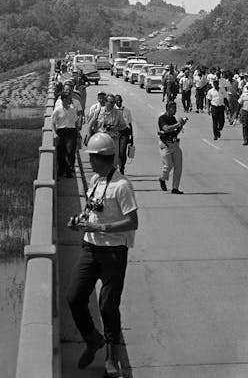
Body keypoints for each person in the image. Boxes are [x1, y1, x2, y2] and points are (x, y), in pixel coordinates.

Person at [66, 133, 138, 376]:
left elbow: (132, 221)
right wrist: (79, 221)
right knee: (74, 297)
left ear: (102, 158)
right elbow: (91, 211)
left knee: (108, 305)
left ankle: (112, 358)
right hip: (90, 247)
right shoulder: (96, 180)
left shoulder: (122, 186)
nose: (90, 162)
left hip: (114, 252)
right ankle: (92, 339)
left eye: (92, 158)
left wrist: (102, 228)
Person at [88, 95, 127, 170]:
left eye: (114, 102)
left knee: (113, 164)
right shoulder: (98, 111)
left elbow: (123, 126)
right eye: (111, 102)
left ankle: (111, 179)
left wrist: (115, 128)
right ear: (105, 102)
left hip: (113, 140)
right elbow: (90, 124)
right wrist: (90, 136)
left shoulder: (118, 113)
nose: (113, 104)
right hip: (101, 140)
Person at [157, 101, 187, 194]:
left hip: (174, 144)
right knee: (168, 165)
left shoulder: (173, 119)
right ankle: (162, 179)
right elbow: (166, 128)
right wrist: (178, 124)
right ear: (168, 108)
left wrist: (181, 124)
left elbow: (175, 132)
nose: (175, 110)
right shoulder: (162, 118)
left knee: (178, 166)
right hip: (165, 145)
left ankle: (175, 188)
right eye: (173, 108)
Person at [52, 90, 80, 178]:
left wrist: (78, 132)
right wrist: (54, 133)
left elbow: (76, 120)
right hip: (61, 131)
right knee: (61, 152)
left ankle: (69, 170)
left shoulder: (72, 109)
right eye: (68, 99)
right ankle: (61, 169)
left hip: (71, 132)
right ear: (63, 100)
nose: (70, 101)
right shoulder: (58, 110)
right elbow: (52, 122)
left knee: (70, 151)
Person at [114, 95, 133, 175]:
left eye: (120, 100)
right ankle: (115, 168)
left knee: (122, 152)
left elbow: (129, 124)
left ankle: (122, 168)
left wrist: (131, 138)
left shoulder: (127, 111)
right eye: (117, 100)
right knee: (116, 152)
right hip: (115, 132)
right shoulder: (113, 111)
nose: (118, 102)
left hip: (124, 133)